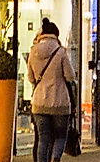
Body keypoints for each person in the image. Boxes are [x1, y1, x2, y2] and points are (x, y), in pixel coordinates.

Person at [26, 19, 78, 162]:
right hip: (59, 102)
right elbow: (70, 76)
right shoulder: (60, 52)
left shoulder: (33, 51)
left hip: (39, 103)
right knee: (61, 136)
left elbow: (30, 78)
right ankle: (55, 159)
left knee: (43, 138)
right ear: (56, 34)